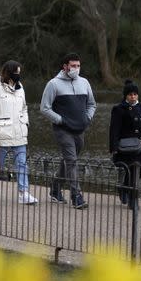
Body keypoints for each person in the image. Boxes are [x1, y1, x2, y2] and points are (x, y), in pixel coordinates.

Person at [40, 53, 97, 209]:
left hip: (80, 129)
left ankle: (55, 188)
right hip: (62, 130)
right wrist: (61, 120)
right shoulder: (53, 84)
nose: (76, 69)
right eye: (73, 66)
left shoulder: (84, 82)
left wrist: (87, 119)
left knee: (69, 161)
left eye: (78, 66)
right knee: (72, 161)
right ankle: (76, 196)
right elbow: (44, 108)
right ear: (65, 66)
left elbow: (92, 104)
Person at [0, 61, 37, 204]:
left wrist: (25, 122)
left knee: (21, 163)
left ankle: (23, 193)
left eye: (19, 72)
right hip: (2, 134)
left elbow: (24, 108)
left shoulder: (21, 88)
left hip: (19, 133)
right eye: (15, 73)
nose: (18, 75)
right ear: (8, 73)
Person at [109, 79, 141, 209]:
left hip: (140, 146)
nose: (133, 96)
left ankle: (124, 187)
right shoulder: (118, 109)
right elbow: (114, 129)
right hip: (125, 147)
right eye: (130, 94)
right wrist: (114, 147)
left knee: (140, 170)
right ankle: (132, 199)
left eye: (135, 94)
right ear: (126, 95)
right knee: (130, 170)